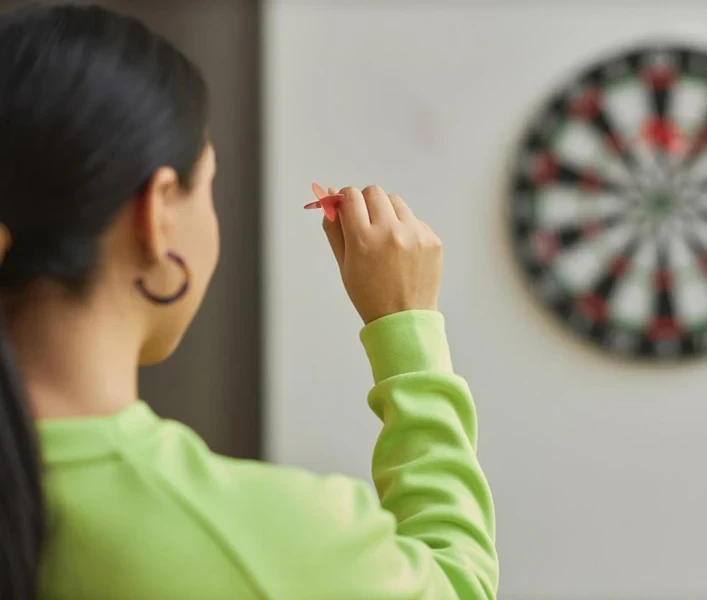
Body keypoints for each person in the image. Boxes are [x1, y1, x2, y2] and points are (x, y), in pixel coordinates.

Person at [0, 4, 498, 599]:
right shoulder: (271, 540)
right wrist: (407, 330)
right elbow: (458, 584)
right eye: (206, 186)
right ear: (157, 213)